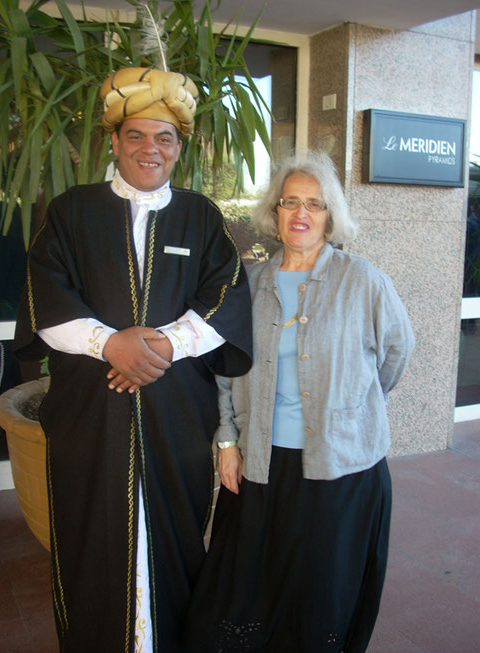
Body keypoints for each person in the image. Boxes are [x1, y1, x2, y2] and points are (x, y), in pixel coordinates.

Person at [13, 67, 252, 652]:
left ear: (180, 148)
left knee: (177, 533)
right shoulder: (72, 211)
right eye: (138, 136)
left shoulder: (201, 217)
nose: (151, 149)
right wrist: (111, 344)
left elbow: (226, 293)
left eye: (165, 138)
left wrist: (164, 345)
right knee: (89, 535)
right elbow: (45, 294)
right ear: (114, 141)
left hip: (177, 418)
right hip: (91, 417)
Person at [185, 150, 415, 653]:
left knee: (323, 587)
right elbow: (223, 370)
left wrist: (351, 410)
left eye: (314, 203)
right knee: (245, 584)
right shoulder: (247, 283)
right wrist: (226, 439)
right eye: (291, 202)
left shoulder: (364, 281)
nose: (302, 214)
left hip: (341, 466)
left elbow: (396, 354)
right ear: (275, 212)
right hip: (261, 462)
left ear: (330, 215)